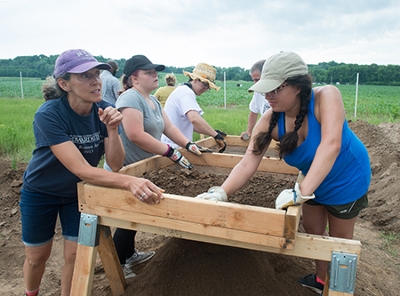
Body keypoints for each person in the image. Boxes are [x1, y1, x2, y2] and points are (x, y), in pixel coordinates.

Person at [196, 51, 371, 295]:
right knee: (313, 229)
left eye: (275, 89)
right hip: (311, 179)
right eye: (265, 89)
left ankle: (339, 289)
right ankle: (321, 281)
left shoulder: (326, 97)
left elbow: (331, 145)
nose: (267, 96)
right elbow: (248, 162)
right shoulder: (269, 119)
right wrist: (220, 192)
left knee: (339, 242)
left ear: (298, 86)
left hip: (347, 179)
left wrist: (301, 193)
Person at [19, 49, 164, 296]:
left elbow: (115, 163)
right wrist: (129, 182)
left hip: (79, 193)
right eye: (85, 76)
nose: (95, 81)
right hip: (41, 191)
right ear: (64, 84)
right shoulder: (49, 114)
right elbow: (81, 169)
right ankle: (31, 293)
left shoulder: (105, 109)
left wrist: (112, 129)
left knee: (75, 254)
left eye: (96, 74)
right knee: (36, 257)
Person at [104, 54, 210, 279]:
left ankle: (129, 254)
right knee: (127, 217)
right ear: (134, 78)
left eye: (156, 72)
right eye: (149, 73)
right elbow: (135, 135)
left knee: (136, 213)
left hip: (142, 167)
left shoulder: (152, 99)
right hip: (125, 169)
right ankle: (118, 263)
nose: (156, 76)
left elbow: (168, 128)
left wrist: (187, 145)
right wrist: (169, 152)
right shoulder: (131, 98)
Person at [161, 63, 227, 153]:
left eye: (208, 87)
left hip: (175, 146)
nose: (205, 89)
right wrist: (216, 136)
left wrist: (212, 132)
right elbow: (194, 119)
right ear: (196, 80)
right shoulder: (186, 93)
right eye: (205, 85)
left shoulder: (184, 90)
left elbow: (192, 126)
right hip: (174, 147)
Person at [240, 59, 270, 140]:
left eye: (257, 79)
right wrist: (249, 131)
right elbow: (254, 111)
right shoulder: (258, 91)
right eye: (254, 80)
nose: (255, 83)